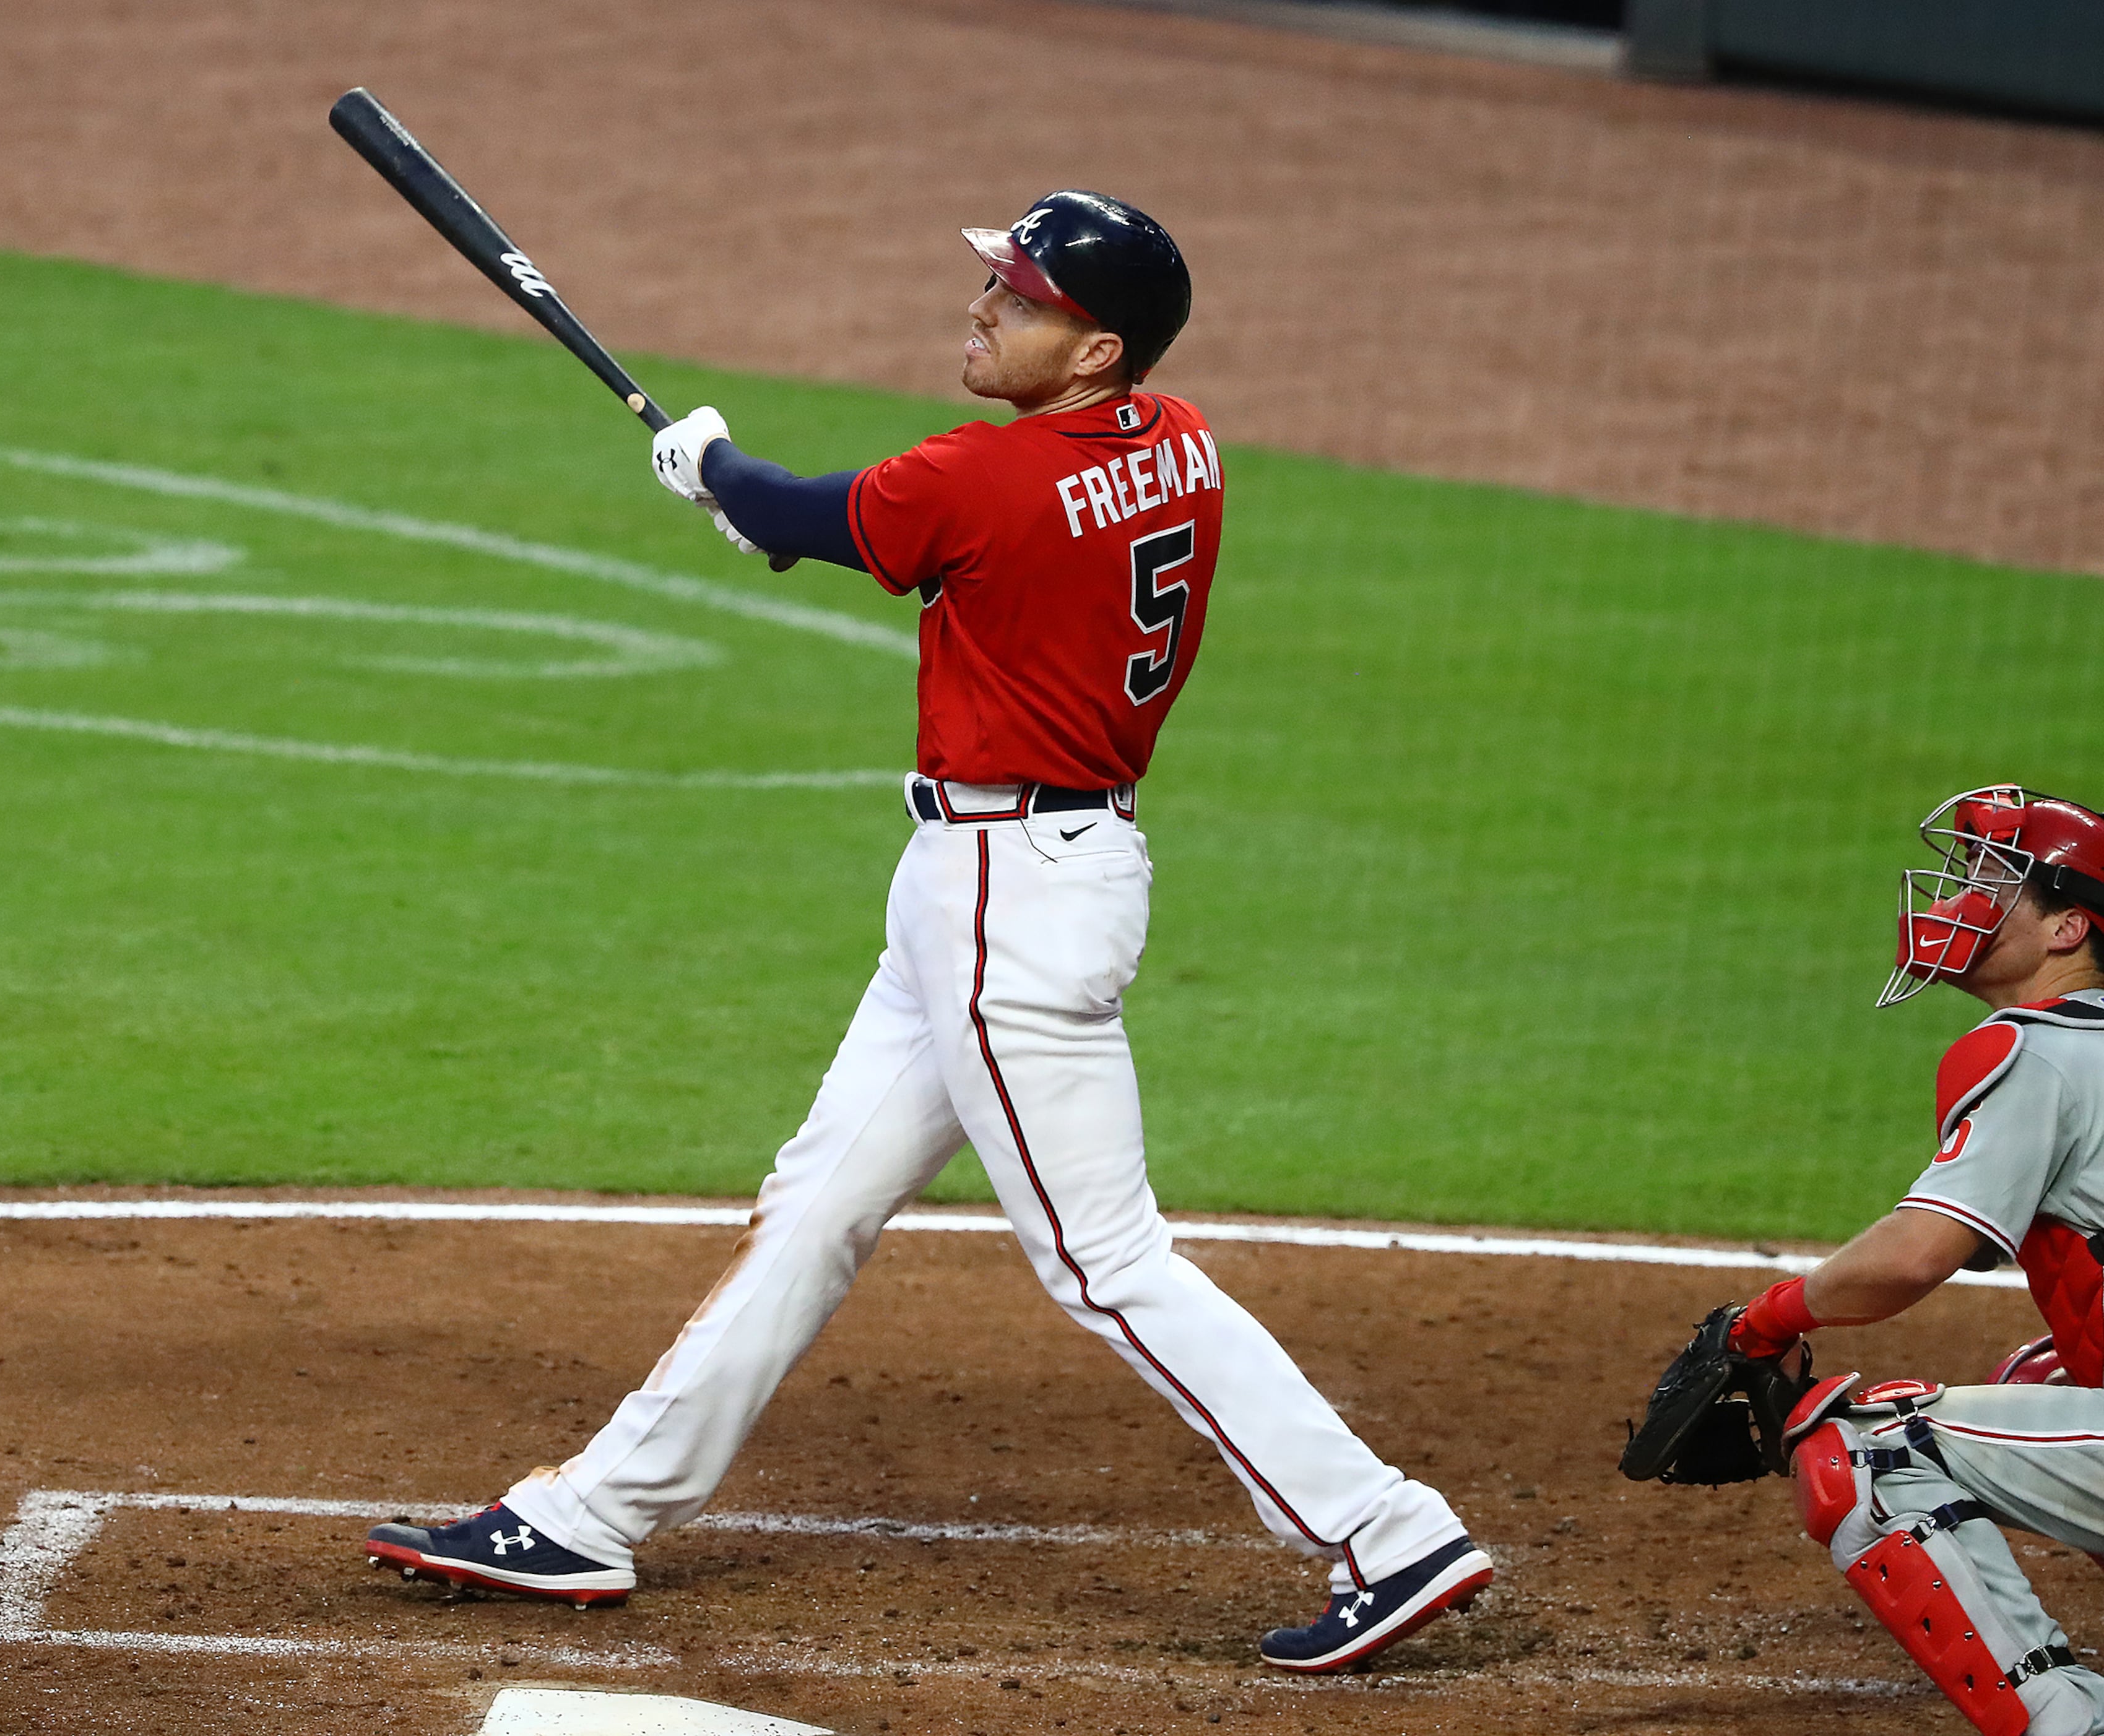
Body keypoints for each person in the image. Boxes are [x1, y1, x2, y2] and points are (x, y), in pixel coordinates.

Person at [363, 190, 1492, 1674]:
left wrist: (704, 463)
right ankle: (600, 1507)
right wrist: (748, 494)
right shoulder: (1184, 440)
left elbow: (798, 513)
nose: (982, 311)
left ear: (1094, 351)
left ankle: (1386, 1526)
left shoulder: (985, 480)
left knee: (1107, 1257)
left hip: (1006, 893)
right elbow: (845, 523)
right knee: (820, 1197)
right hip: (1023, 867)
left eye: (1017, 300)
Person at [1667, 785, 2104, 1735]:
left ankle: (2070, 1723)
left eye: (1996, 883)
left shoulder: (2037, 1050)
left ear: (2070, 926)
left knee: (1869, 1449)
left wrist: (1767, 1317)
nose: (1960, 900)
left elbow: (1912, 1257)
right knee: (2043, 1370)